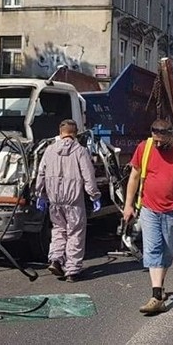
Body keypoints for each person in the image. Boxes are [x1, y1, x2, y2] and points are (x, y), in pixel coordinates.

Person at [123, 119, 173, 315]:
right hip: (149, 208)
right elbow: (134, 176)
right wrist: (128, 205)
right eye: (155, 140)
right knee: (153, 248)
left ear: (171, 135)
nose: (157, 145)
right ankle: (156, 296)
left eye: (161, 142)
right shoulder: (144, 147)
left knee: (166, 251)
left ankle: (160, 287)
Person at [35, 119, 102, 282]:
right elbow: (88, 175)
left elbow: (40, 173)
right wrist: (94, 196)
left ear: (60, 133)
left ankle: (56, 259)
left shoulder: (49, 150)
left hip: (55, 200)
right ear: (76, 133)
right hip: (73, 200)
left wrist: (40, 195)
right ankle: (72, 270)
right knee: (75, 233)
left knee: (58, 229)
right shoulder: (80, 151)